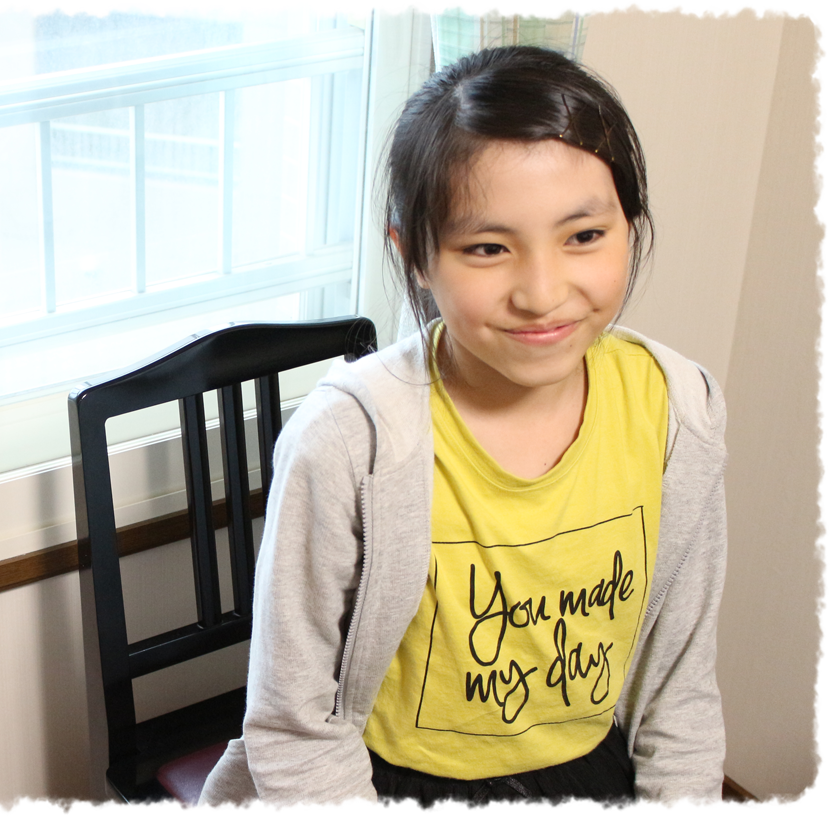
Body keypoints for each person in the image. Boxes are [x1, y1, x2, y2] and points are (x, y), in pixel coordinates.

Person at [198, 46, 726, 817]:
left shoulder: (677, 409)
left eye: (584, 236)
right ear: (412, 253)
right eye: (487, 248)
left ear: (630, 224)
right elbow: (295, 723)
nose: (542, 292)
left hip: (585, 778)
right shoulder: (348, 442)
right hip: (379, 792)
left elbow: (678, 688)